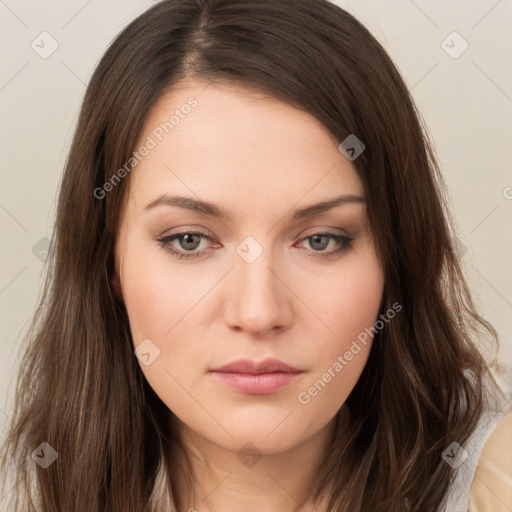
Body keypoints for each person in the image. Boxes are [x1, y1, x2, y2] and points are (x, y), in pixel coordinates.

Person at [1, 0, 511, 511]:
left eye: (321, 240)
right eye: (189, 240)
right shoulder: (32, 487)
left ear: (395, 257)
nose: (258, 312)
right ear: (110, 261)